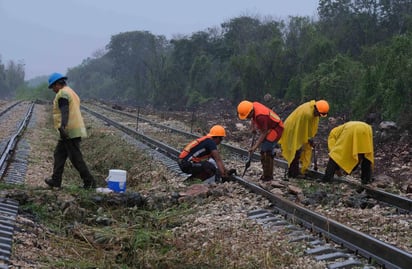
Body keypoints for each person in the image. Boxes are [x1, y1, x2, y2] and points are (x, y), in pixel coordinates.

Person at [44, 73, 96, 189]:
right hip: (71, 130)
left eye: (53, 86)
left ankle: (90, 182)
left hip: (68, 131)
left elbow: (65, 111)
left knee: (76, 158)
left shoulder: (63, 93)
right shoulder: (71, 92)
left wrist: (63, 127)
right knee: (59, 154)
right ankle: (56, 180)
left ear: (58, 84)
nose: (53, 89)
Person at [279, 100, 329, 179]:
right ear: (316, 109)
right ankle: (293, 173)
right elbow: (304, 131)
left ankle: (293, 172)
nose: (318, 116)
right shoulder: (308, 114)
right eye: (318, 114)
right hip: (293, 129)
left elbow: (309, 128)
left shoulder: (312, 110)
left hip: (298, 128)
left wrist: (311, 138)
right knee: (295, 150)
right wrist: (309, 140)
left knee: (297, 151)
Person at [237, 100, 284, 181]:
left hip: (276, 128)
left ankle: (268, 176)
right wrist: (253, 127)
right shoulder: (253, 105)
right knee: (263, 150)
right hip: (270, 126)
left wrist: (254, 147)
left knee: (266, 150)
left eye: (247, 116)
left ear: (251, 111)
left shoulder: (261, 116)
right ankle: (266, 174)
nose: (247, 118)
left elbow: (264, 132)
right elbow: (253, 118)